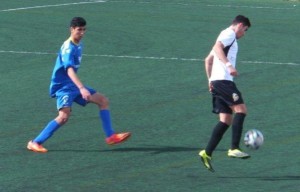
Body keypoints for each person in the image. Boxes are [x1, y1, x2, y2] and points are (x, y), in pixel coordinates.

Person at [27, 17, 131, 153]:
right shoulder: (68, 48)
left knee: (103, 101)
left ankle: (111, 136)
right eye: (79, 30)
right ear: (71, 29)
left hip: (72, 84)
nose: (82, 33)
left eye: (84, 29)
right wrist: (82, 88)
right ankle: (35, 142)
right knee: (63, 117)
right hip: (63, 87)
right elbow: (69, 70)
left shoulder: (79, 44)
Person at [199, 15, 251, 172]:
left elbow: (208, 60)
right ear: (240, 25)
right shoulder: (229, 34)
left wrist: (210, 81)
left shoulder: (227, 37)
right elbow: (217, 47)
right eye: (245, 30)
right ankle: (234, 148)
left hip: (217, 83)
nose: (244, 34)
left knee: (226, 119)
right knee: (241, 110)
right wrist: (228, 65)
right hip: (224, 82)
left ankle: (206, 153)